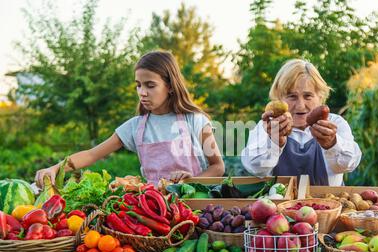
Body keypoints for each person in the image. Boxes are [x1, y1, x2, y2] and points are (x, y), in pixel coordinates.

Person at [35, 51, 224, 187]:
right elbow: (91, 155)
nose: (142, 93)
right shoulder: (135, 127)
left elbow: (218, 167)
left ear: (170, 86)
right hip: (154, 210)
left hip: (196, 207)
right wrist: (55, 168)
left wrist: (191, 181)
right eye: (138, 85)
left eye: (150, 85)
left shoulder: (195, 121)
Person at [241, 59, 361, 186]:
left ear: (320, 97)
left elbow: (349, 165)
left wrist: (332, 144)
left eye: (308, 96)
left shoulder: (334, 124)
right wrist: (274, 142)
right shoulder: (268, 127)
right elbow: (255, 169)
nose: (300, 106)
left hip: (330, 203)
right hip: (280, 204)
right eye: (292, 96)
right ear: (279, 98)